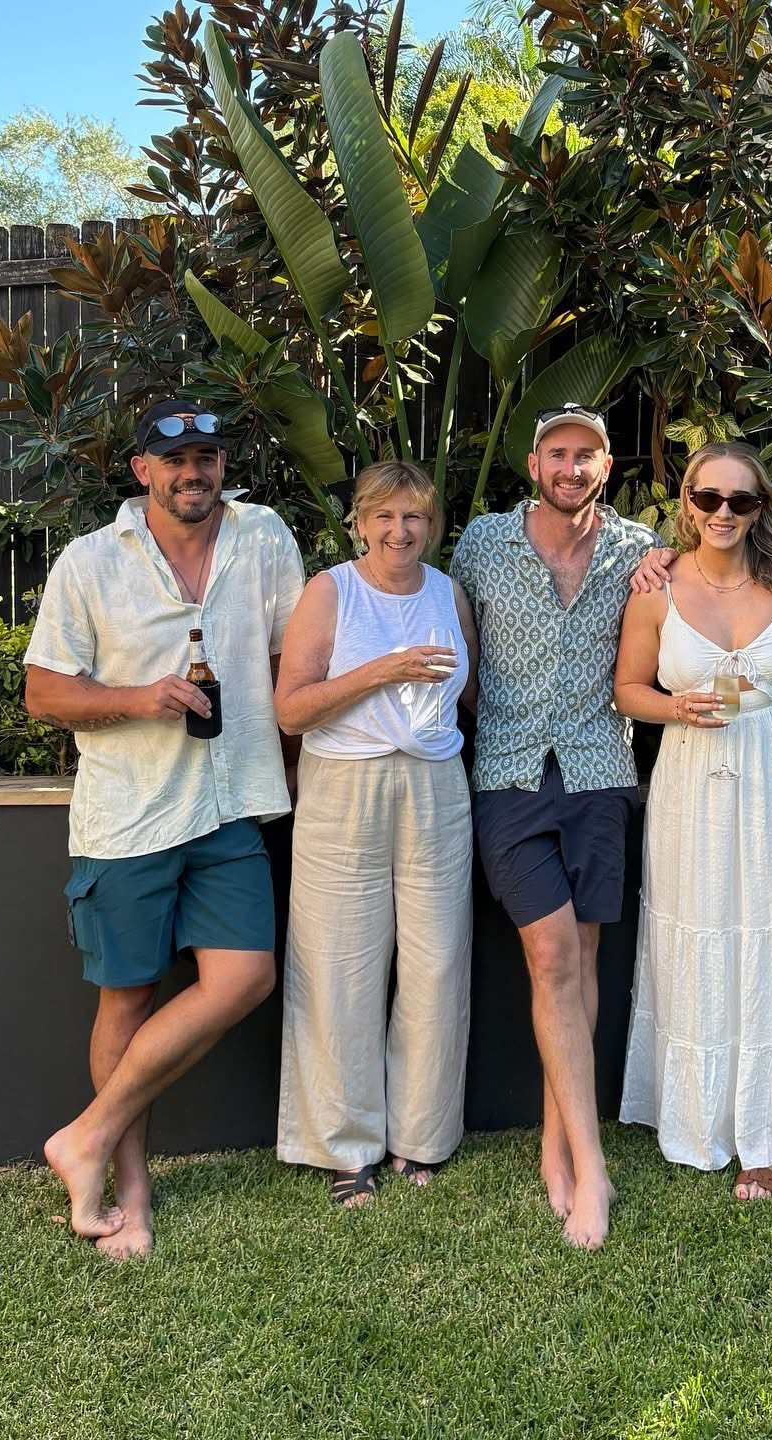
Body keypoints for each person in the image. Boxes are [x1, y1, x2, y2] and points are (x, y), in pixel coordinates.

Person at [24, 399, 305, 1260]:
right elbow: (44, 693)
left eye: (207, 457)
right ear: (142, 469)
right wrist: (139, 699)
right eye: (175, 460)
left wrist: (294, 770)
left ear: (222, 466)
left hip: (229, 805)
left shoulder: (264, 538)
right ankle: (129, 1190)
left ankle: (86, 1134)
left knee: (245, 978)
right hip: (129, 815)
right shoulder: (90, 561)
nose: (194, 473)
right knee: (129, 998)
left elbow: (289, 662)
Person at [449, 402, 669, 1250]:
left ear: (606, 468)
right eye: (557, 453)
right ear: (534, 464)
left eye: (587, 455)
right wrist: (498, 719)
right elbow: (462, 653)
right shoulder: (481, 545)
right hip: (508, 775)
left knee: (581, 956)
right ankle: (594, 1168)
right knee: (548, 956)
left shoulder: (638, 552)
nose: (571, 467)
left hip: (600, 774)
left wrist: (665, 564)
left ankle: (558, 1143)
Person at [613, 442, 772, 1199]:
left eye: (740, 500)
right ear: (687, 503)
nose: (723, 512)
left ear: (760, 509)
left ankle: (769, 1130)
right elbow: (627, 689)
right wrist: (674, 707)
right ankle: (699, 1115)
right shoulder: (655, 587)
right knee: (703, 927)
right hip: (691, 776)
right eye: (708, 497)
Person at [273, 462, 479, 1207]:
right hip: (343, 788)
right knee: (339, 966)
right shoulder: (331, 591)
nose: (400, 531)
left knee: (436, 962)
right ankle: (344, 1145)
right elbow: (291, 709)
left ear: (433, 525)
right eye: (384, 517)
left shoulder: (447, 592)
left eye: (414, 517)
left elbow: (471, 692)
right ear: (360, 523)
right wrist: (382, 671)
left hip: (435, 786)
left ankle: (421, 1134)